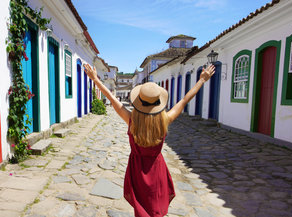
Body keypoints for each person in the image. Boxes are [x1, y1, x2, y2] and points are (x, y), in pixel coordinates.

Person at [83, 64, 215, 217]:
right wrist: (201, 81)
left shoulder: (132, 120)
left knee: (141, 208)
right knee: (155, 206)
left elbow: (112, 99)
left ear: (139, 101)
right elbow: (184, 100)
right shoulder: (165, 120)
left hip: (137, 169)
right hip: (156, 168)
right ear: (158, 103)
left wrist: (95, 79)